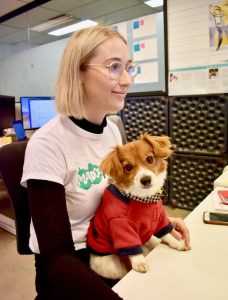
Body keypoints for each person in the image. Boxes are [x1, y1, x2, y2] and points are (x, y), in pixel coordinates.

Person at [21, 24, 190, 300]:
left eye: (129, 68)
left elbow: (118, 200)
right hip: (72, 264)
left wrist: (156, 222)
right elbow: (55, 256)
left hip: (114, 239)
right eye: (114, 68)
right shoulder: (47, 144)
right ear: (79, 72)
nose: (126, 80)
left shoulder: (111, 129)